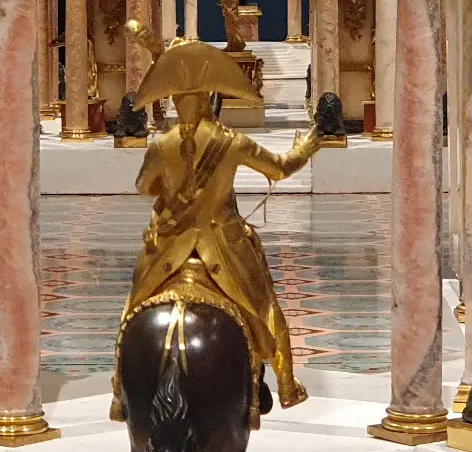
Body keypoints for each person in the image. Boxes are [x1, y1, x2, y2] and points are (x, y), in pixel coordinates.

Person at [110, 40, 329, 421]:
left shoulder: (162, 145)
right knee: (266, 306)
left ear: (175, 101)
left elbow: (144, 187)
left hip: (171, 244)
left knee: (134, 302)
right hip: (223, 243)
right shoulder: (232, 142)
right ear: (207, 99)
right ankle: (287, 384)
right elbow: (280, 169)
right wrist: (306, 147)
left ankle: (118, 390)